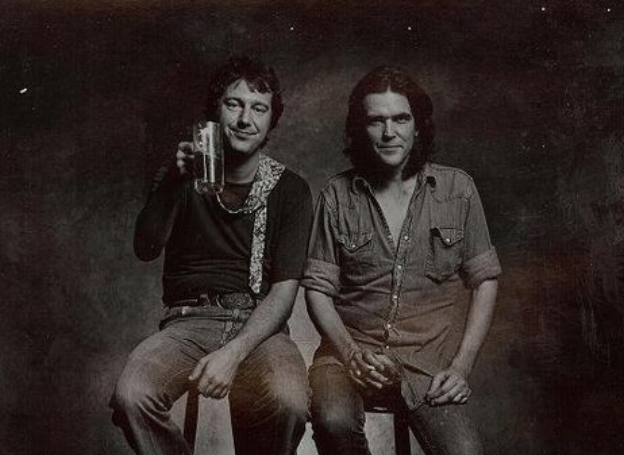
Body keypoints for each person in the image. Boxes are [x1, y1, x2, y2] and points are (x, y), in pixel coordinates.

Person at [110, 57, 312, 455]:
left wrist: (233, 354)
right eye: (234, 104)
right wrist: (172, 182)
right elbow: (145, 249)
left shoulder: (290, 189)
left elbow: (284, 294)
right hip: (188, 321)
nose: (245, 119)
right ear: (215, 112)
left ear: (271, 120)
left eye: (259, 108)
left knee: (289, 402)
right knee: (132, 395)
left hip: (259, 327)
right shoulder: (182, 175)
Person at [302, 66, 501, 455]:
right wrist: (351, 353)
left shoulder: (458, 190)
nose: (389, 132)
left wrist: (461, 367)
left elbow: (485, 280)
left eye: (401, 119)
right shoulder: (337, 195)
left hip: (427, 366)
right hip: (345, 359)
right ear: (360, 129)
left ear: (418, 126)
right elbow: (317, 289)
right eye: (376, 121)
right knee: (334, 421)